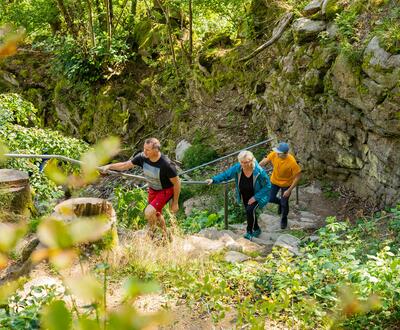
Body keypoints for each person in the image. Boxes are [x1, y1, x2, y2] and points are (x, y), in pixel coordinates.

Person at [101, 138, 180, 240]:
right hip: (153, 189)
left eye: (148, 150)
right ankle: (166, 236)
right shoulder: (142, 157)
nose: (144, 152)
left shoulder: (166, 165)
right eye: (144, 149)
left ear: (156, 150)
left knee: (148, 212)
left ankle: (151, 233)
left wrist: (175, 202)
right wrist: (109, 166)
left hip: (165, 190)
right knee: (156, 214)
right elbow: (125, 165)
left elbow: (177, 183)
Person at [206, 150, 271, 240]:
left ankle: (249, 232)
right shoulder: (238, 167)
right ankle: (256, 229)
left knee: (249, 210)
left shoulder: (259, 171)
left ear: (251, 160)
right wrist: (213, 180)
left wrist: (255, 197)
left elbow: (268, 186)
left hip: (257, 195)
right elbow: (226, 175)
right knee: (250, 212)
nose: (244, 165)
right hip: (244, 195)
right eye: (242, 162)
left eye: (246, 162)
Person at [259, 142, 301, 229]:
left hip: (286, 184)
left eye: (279, 153)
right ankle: (280, 203)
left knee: (284, 203)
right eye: (277, 152)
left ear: (285, 153)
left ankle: (284, 218)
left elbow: (297, 177)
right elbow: (264, 161)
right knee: (270, 198)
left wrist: (289, 190)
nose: (277, 153)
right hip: (274, 181)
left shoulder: (292, 162)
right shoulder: (275, 154)